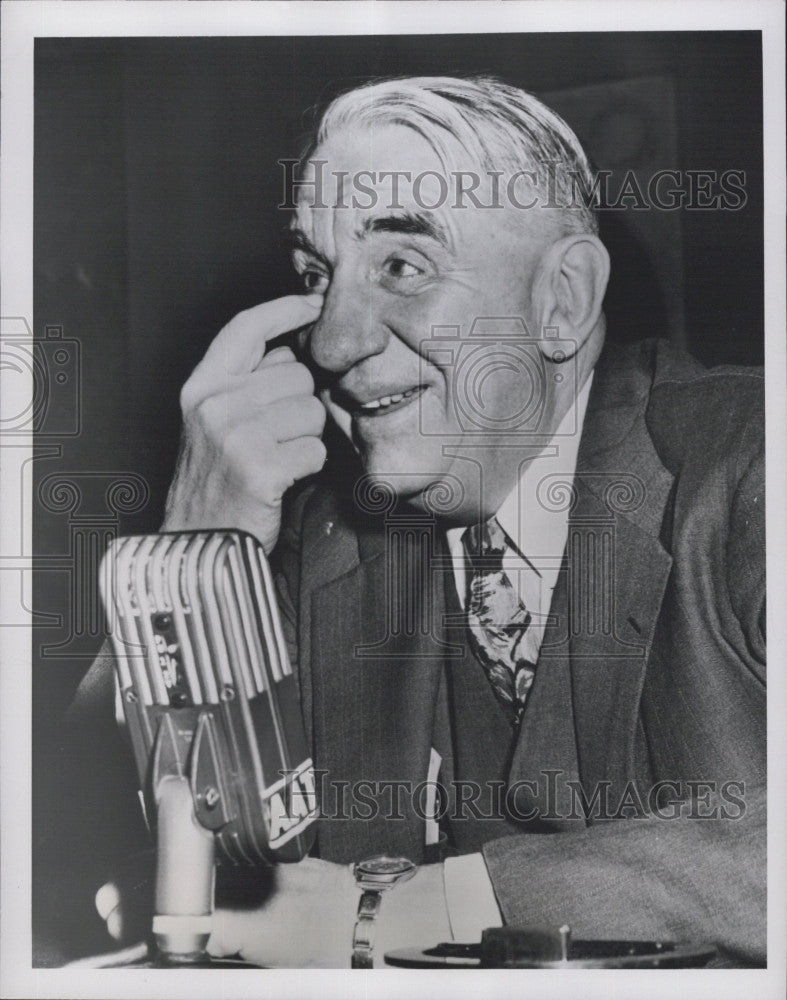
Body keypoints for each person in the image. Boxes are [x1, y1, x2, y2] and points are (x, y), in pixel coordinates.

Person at [70, 76, 765, 967]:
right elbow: (92, 855)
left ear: (561, 299)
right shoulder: (317, 544)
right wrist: (198, 557)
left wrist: (412, 907)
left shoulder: (748, 466)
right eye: (317, 276)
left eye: (401, 265)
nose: (331, 342)